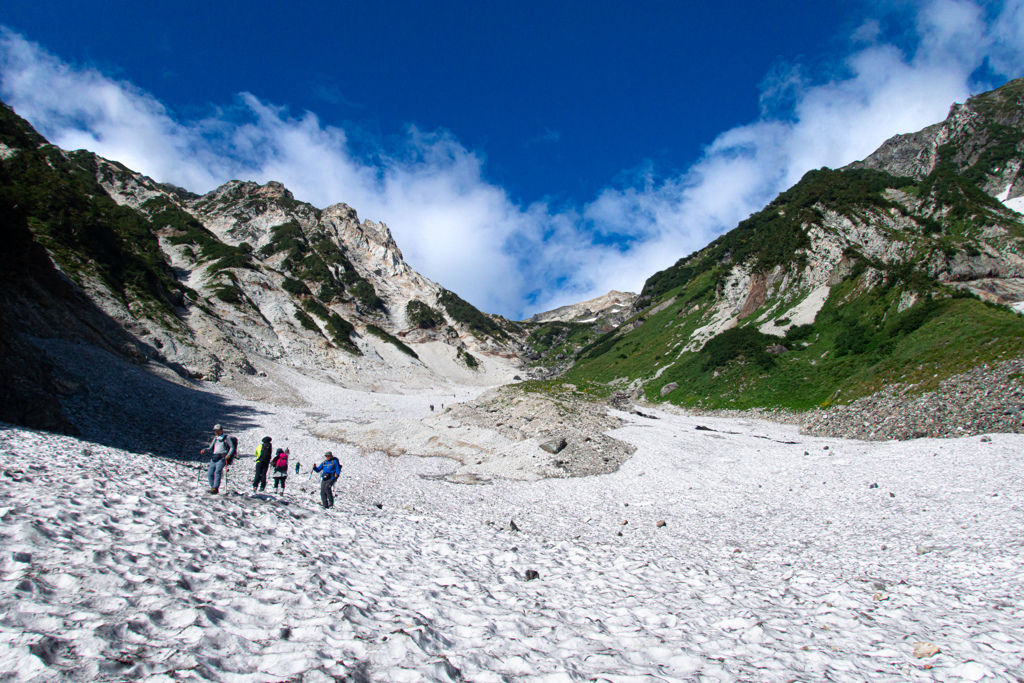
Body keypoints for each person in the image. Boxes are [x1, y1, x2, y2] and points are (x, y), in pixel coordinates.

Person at [200, 424, 235, 494]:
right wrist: (205, 450)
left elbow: (232, 447)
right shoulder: (216, 439)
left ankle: (215, 488)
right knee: (210, 473)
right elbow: (210, 448)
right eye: (215, 431)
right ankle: (212, 487)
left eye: (217, 431)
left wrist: (228, 455)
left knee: (217, 472)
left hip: (222, 457)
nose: (216, 432)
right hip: (214, 457)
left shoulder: (226, 438)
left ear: (221, 430)